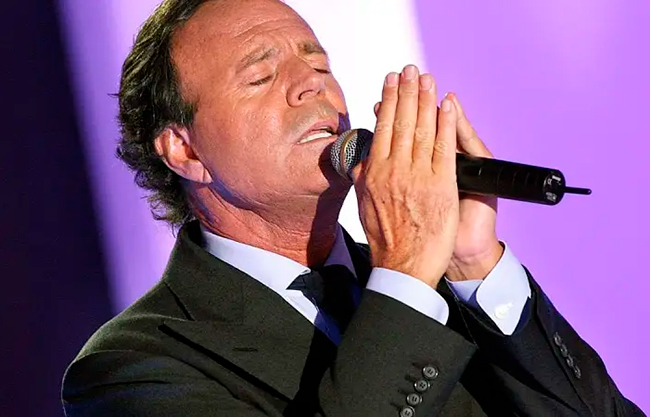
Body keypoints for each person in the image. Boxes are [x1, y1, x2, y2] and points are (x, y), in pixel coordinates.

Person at [61, 0, 643, 416]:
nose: (311, 86)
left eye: (319, 66)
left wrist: (474, 266)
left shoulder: (443, 289)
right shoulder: (132, 367)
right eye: (261, 76)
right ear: (185, 150)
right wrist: (406, 276)